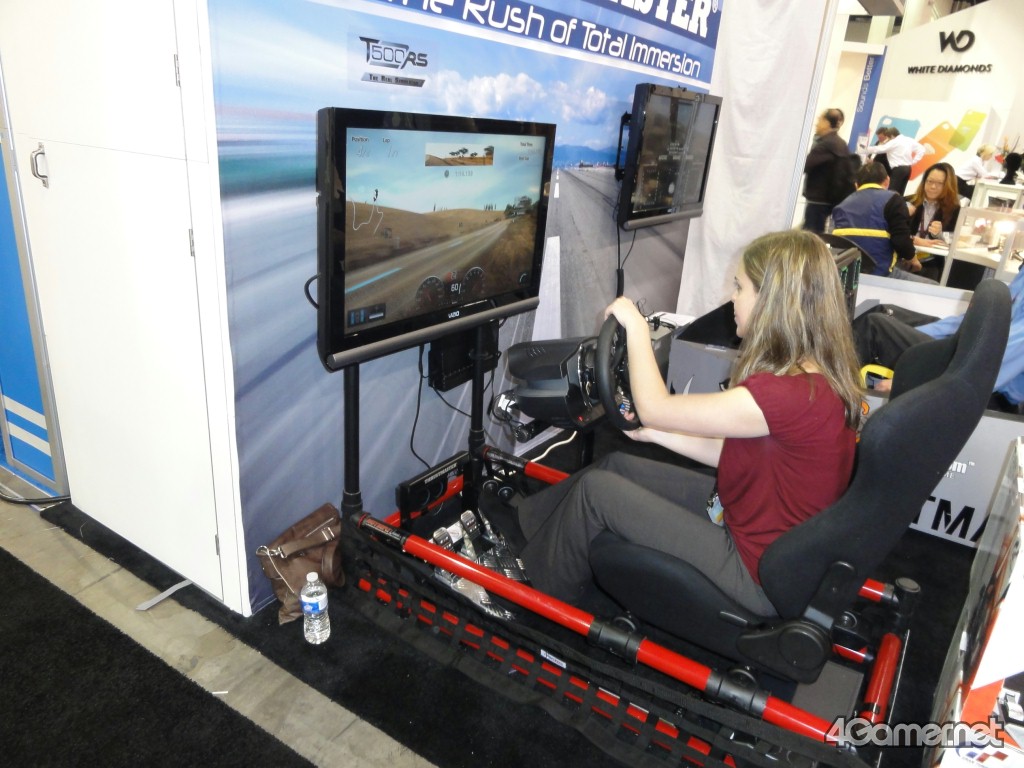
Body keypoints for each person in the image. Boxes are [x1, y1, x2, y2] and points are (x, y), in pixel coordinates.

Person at [512, 231, 863, 613]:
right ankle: (519, 532)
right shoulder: (812, 379)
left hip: (757, 573)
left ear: (772, 301)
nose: (732, 298)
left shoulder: (785, 395)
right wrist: (656, 434)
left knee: (595, 493)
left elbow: (654, 406)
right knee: (616, 465)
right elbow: (733, 451)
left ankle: (531, 601)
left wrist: (637, 330)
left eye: (739, 287)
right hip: (764, 539)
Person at [853, 268, 1024, 413]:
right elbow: (972, 321)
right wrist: (914, 332)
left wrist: (913, 382)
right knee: (883, 312)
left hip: (984, 388)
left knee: (874, 326)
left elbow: (989, 364)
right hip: (969, 346)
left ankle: (842, 400)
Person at [831, 161, 925, 279]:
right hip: (880, 274)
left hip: (846, 275)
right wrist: (913, 259)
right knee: (932, 285)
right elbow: (900, 240)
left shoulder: (840, 207)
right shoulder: (893, 200)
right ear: (887, 181)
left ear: (856, 185)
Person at [801, 108, 856, 233]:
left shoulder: (826, 144)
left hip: (818, 199)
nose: (816, 124)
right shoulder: (840, 143)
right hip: (830, 199)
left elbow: (805, 165)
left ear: (826, 123)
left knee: (812, 234)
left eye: (819, 120)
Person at [906, 162, 961, 282]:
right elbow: (894, 231)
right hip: (906, 256)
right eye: (930, 181)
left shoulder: (954, 210)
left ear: (948, 185)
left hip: (931, 261)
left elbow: (956, 240)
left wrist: (940, 234)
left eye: (940, 183)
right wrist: (913, 239)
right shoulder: (908, 202)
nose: (933, 187)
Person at [856, 126, 926, 196]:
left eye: (889, 137)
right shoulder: (908, 140)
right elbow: (922, 149)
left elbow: (880, 149)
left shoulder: (894, 142)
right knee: (900, 191)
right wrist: (913, 161)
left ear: (892, 136)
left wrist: (863, 148)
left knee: (891, 191)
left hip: (898, 169)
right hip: (908, 169)